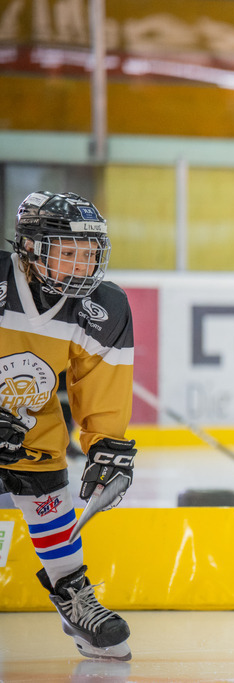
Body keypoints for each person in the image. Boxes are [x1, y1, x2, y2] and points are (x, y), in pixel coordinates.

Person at [0, 191, 137, 661]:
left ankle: (72, 596)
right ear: (30, 248)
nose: (82, 265)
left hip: (29, 428)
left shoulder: (105, 306)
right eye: (68, 252)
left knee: (48, 498)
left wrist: (107, 446)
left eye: (89, 253)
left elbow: (102, 384)